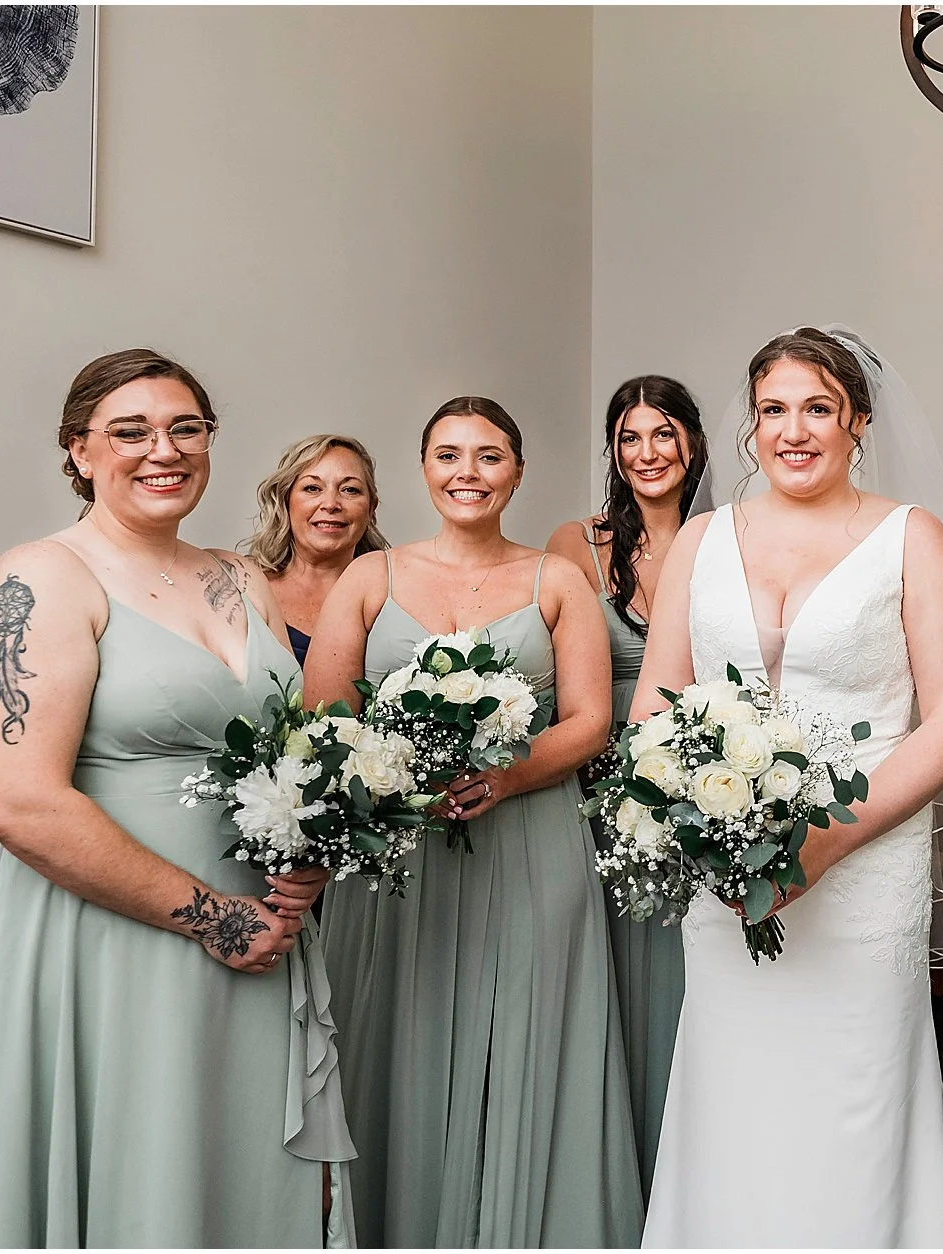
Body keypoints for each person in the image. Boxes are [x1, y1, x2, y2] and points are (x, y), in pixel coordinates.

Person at [0, 348, 353, 1247]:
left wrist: (312, 847)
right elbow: (20, 803)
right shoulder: (41, 578)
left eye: (185, 429)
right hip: (112, 938)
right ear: (79, 451)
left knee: (231, 1177)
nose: (162, 450)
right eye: (130, 432)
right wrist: (215, 919)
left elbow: (295, 750)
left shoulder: (240, 575)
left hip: (259, 931)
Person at [637, 328, 943, 1247]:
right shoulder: (701, 541)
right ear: (750, 428)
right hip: (724, 875)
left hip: (865, 862)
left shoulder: (911, 539)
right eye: (774, 410)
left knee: (854, 1095)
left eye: (818, 408)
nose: (795, 430)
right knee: (734, 1083)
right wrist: (696, 827)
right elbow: (654, 712)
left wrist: (825, 841)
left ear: (858, 422)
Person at [305, 397, 641, 1247]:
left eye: (489, 457)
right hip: (400, 850)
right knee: (395, 1040)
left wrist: (511, 772)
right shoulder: (369, 578)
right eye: (449, 455)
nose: (468, 473)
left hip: (531, 841)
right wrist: (388, 770)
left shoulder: (556, 580)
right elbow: (324, 710)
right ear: (422, 469)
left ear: (517, 472)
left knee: (528, 1041)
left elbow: (589, 721)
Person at [546, 374, 708, 1200]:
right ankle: (613, 1182)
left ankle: (688, 1177)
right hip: (596, 794)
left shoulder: (725, 537)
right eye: (630, 436)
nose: (647, 453)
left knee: (689, 983)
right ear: (613, 448)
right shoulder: (579, 543)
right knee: (603, 980)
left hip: (700, 794)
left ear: (692, 443)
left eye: (663, 433)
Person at [244, 434, 389, 664]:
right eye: (312, 488)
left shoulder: (393, 599)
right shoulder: (245, 589)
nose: (331, 504)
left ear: (371, 509)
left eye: (350, 490)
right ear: (286, 500)